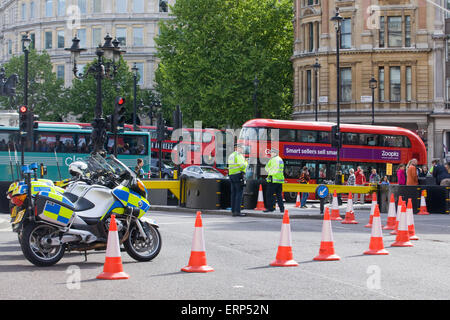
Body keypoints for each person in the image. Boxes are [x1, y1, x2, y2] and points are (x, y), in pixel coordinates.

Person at [228, 143, 248, 217]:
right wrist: (246, 162)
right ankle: (237, 211)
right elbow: (242, 166)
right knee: (239, 194)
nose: (242, 150)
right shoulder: (238, 155)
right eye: (241, 148)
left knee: (233, 194)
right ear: (237, 148)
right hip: (238, 176)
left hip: (231, 176)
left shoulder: (231, 155)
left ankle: (233, 211)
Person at [264, 148, 285, 213]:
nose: (271, 154)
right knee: (279, 196)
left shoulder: (273, 160)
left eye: (272, 153)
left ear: (275, 153)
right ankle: (282, 209)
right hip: (280, 180)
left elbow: (266, 168)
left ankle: (270, 208)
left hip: (273, 180)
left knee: (269, 195)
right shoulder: (280, 159)